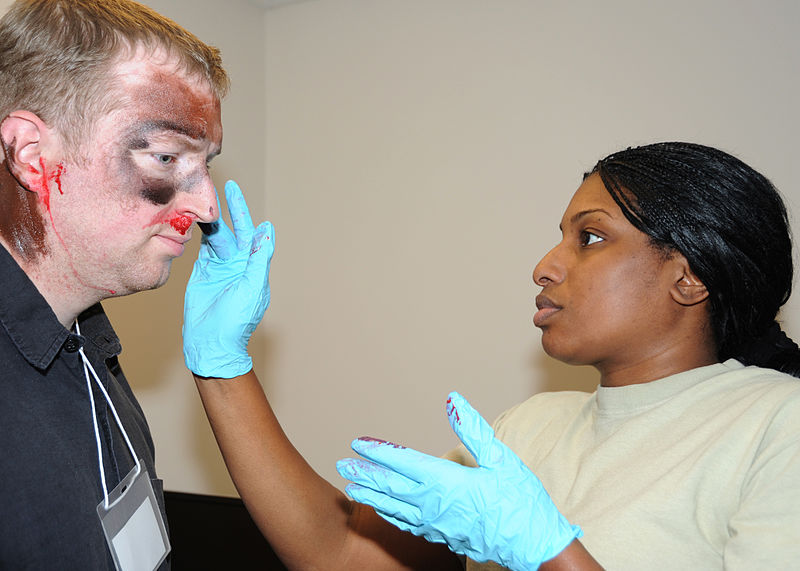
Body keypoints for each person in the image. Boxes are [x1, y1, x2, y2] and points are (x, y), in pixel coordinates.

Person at [183, 141, 800, 570]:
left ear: (689, 277)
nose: (545, 266)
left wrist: (549, 553)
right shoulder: (526, 430)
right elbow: (337, 556)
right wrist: (222, 364)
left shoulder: (777, 425)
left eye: (589, 237)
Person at [0, 0, 231, 568]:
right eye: (166, 157)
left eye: (206, 167)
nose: (207, 207)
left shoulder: (90, 342)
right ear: (32, 156)